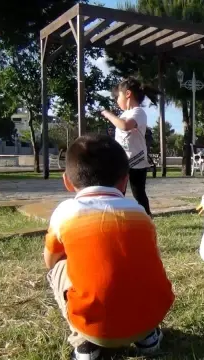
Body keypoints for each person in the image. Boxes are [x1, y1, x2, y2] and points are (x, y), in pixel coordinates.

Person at [43, 134, 174, 360]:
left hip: (97, 329)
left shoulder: (65, 212)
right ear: (125, 180)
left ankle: (85, 342)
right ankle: (147, 336)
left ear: (67, 181)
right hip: (151, 316)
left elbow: (50, 260)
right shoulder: (138, 212)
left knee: (59, 268)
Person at [102, 77, 159, 216]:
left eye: (118, 97)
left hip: (137, 162)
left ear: (127, 94)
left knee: (138, 194)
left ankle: (146, 218)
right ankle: (117, 218)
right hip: (122, 161)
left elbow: (125, 125)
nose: (116, 101)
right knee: (117, 192)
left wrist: (108, 114)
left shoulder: (138, 112)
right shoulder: (125, 114)